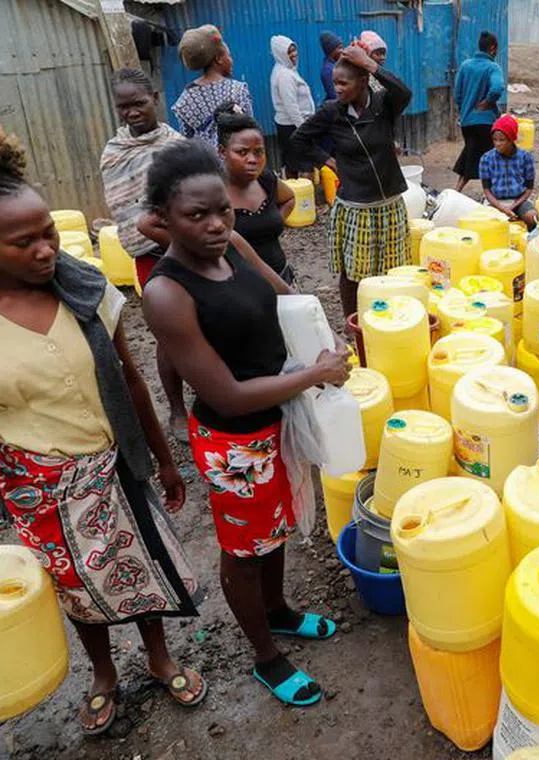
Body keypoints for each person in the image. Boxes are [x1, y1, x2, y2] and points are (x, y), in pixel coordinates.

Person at [0, 127, 206, 735]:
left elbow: (132, 379)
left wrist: (163, 461)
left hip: (112, 465)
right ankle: (103, 673)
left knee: (139, 566)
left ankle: (159, 656)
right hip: (36, 483)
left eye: (47, 235)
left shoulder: (85, 291)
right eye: (24, 243)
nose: (45, 250)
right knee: (73, 586)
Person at [141, 140, 351, 707]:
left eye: (223, 210)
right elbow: (227, 395)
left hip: (277, 417)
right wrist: (314, 375)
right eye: (196, 215)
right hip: (235, 440)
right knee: (242, 549)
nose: (215, 224)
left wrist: (326, 338)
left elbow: (286, 297)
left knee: (275, 527)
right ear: (163, 219)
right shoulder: (165, 294)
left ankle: (278, 611)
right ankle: (266, 657)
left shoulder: (232, 245)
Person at [291, 44, 412, 321]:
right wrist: (327, 160)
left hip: (390, 202)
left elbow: (405, 92)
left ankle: (388, 319)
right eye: (335, 83)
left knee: (392, 270)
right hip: (356, 206)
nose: (338, 89)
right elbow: (299, 140)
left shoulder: (383, 105)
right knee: (354, 272)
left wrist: (370, 63)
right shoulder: (332, 111)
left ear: (364, 81)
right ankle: (351, 321)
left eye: (343, 83)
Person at [99, 68, 190, 440]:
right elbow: (125, 207)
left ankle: (213, 393)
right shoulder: (115, 153)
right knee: (169, 334)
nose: (132, 112)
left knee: (207, 323)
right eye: (124, 107)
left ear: (154, 97)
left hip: (190, 248)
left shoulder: (177, 145)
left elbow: (194, 199)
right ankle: (178, 411)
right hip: (150, 257)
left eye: (138, 103)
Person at [216, 107, 297, 283]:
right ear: (222, 152)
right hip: (238, 289)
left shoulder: (265, 180)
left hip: (281, 277)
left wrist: (275, 220)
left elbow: (290, 198)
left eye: (258, 152)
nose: (252, 159)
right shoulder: (212, 193)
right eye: (242, 152)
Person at [172, 24, 253, 147]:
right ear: (219, 59)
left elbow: (188, 142)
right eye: (229, 56)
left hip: (205, 163)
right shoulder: (237, 90)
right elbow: (250, 129)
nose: (232, 60)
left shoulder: (184, 101)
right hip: (236, 160)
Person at [452, 31, 506, 192]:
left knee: (471, 155)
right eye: (496, 49)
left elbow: (457, 94)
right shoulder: (492, 67)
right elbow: (497, 88)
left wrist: (464, 110)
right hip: (485, 123)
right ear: (492, 48)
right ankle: (490, 196)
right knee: (490, 160)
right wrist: (488, 102)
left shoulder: (465, 66)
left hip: (467, 123)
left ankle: (457, 191)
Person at [479, 115, 538, 230]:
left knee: (532, 217)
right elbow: (486, 190)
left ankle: (529, 240)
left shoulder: (526, 158)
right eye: (495, 140)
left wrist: (513, 206)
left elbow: (529, 189)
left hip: (519, 201)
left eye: (502, 140)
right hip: (495, 201)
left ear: (511, 139)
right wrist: (502, 208)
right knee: (486, 223)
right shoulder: (486, 159)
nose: (498, 144)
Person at [269, 35, 316, 178]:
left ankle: (298, 196)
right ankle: (303, 198)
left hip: (291, 126)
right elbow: (291, 107)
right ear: (280, 54)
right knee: (303, 165)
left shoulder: (287, 70)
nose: (294, 54)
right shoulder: (285, 76)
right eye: (289, 52)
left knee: (293, 164)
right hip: (293, 127)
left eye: (294, 50)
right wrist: (304, 129)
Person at [319, 31, 344, 103]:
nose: (342, 51)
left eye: (342, 47)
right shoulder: (328, 71)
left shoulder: (336, 65)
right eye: (339, 48)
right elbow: (335, 96)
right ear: (331, 50)